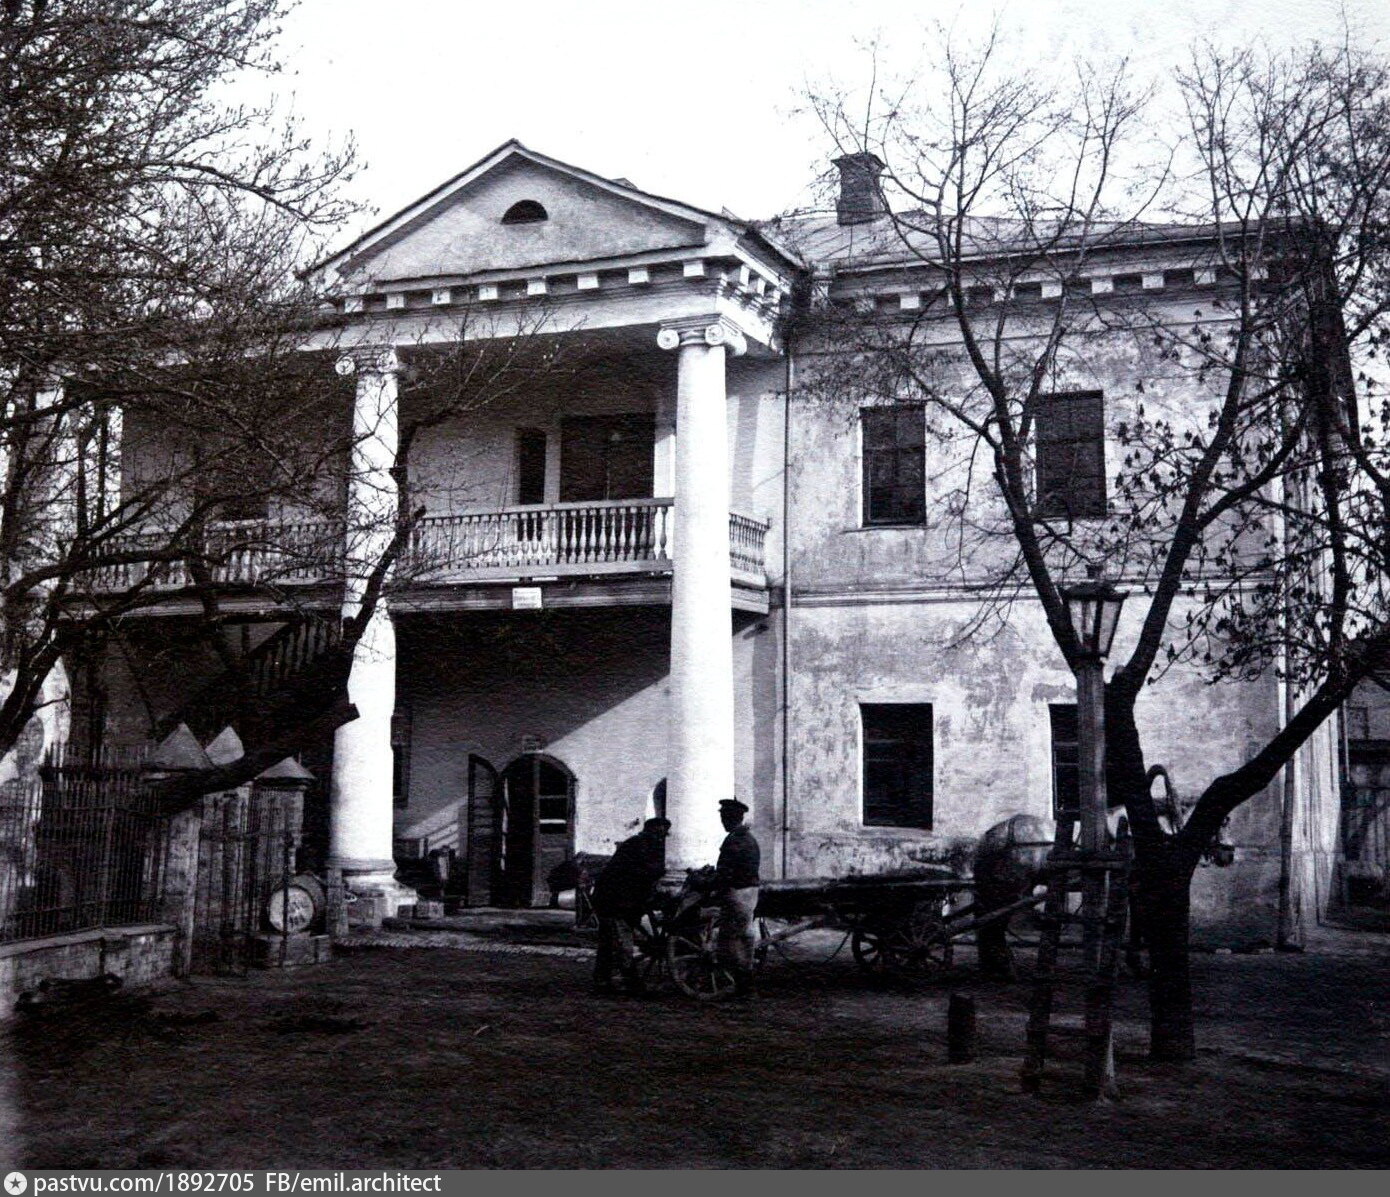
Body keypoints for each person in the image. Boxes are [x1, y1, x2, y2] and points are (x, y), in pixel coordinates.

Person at [589, 816, 670, 995]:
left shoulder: (642, 845)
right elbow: (638, 874)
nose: (662, 838)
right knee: (620, 942)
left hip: (620, 899)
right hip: (614, 900)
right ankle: (627, 981)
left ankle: (603, 979)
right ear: (650, 831)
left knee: (609, 941)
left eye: (664, 835)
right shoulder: (638, 846)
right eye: (660, 834)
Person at [713, 797, 761, 999]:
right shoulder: (748, 838)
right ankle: (744, 984)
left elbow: (726, 871)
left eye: (724, 818)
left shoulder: (735, 840)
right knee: (745, 937)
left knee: (733, 939)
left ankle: (745, 987)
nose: (722, 822)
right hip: (749, 892)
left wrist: (712, 885)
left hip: (737, 894)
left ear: (730, 818)